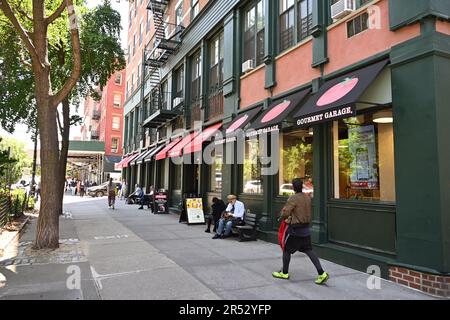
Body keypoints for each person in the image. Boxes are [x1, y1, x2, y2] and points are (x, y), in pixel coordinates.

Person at [272, 178, 329, 285]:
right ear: (302, 186)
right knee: (309, 250)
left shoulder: (293, 198)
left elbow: (285, 213)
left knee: (286, 250)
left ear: (293, 187)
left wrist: (284, 216)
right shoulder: (307, 197)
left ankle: (284, 273)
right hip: (306, 228)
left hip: (295, 230)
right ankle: (322, 273)